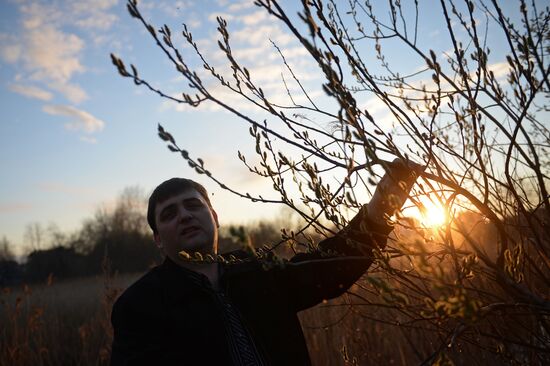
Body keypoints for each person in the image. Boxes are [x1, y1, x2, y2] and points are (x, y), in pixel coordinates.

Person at [110, 160, 422, 366]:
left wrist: (381, 207)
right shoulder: (139, 306)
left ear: (215, 218)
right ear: (158, 240)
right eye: (169, 214)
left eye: (193, 205)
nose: (184, 215)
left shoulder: (255, 270)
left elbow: (329, 267)